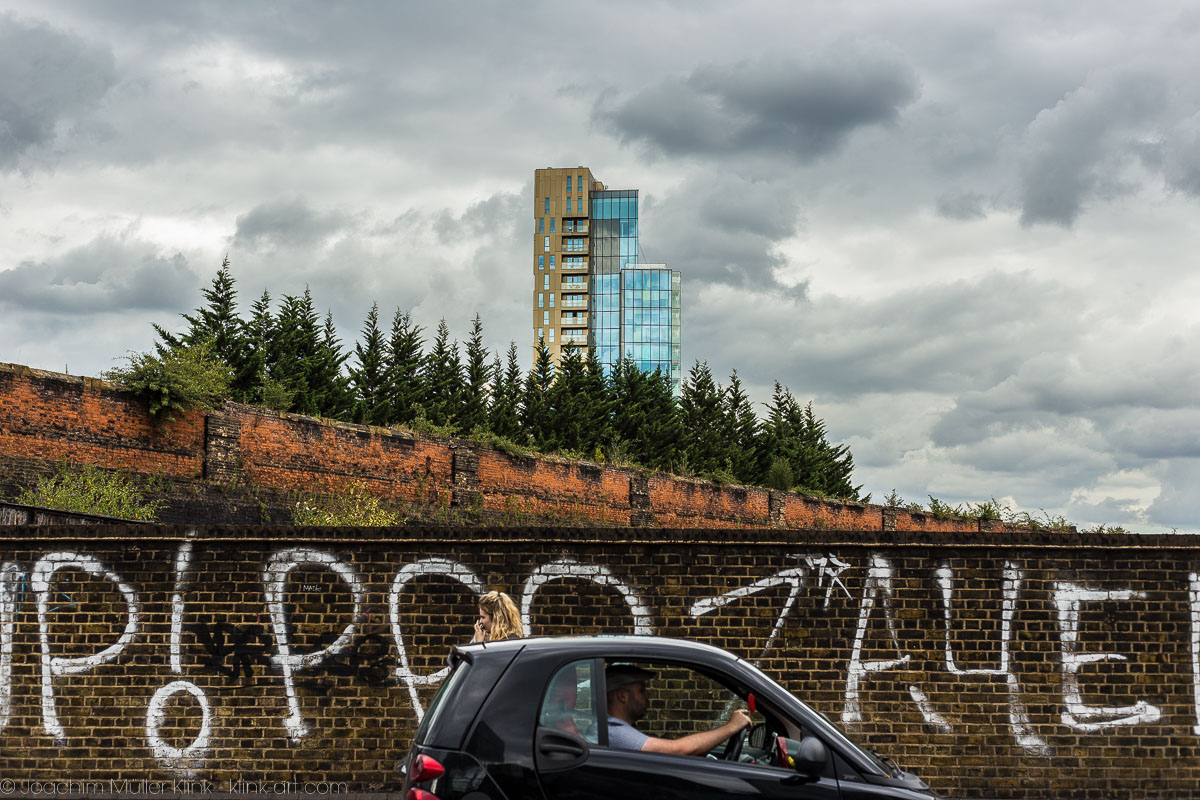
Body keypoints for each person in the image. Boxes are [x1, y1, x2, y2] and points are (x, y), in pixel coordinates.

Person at [605, 664, 752, 756]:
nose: (648, 695)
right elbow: (677, 750)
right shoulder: (614, 732)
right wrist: (731, 727)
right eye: (641, 691)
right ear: (622, 696)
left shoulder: (614, 727)